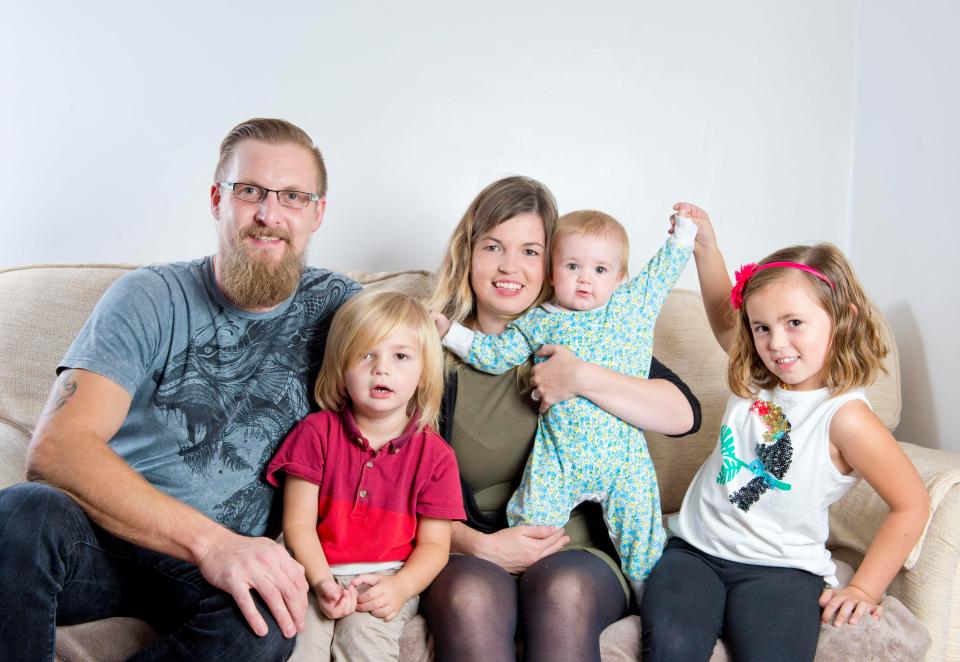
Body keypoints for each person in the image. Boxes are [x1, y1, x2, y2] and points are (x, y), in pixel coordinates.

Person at [0, 118, 361, 660]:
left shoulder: (341, 309)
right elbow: (57, 448)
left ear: (317, 212)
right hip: (102, 540)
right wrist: (214, 543)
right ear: (217, 199)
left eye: (292, 196)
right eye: (249, 192)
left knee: (268, 624)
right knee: (24, 511)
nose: (269, 214)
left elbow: (428, 354)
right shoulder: (149, 296)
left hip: (207, 578)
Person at [420, 176, 702, 662]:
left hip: (578, 549)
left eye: (530, 251)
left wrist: (582, 376)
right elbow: (393, 484)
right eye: (493, 246)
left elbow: (683, 415)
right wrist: (480, 546)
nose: (511, 266)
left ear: (551, 264)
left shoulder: (589, 334)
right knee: (472, 597)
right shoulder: (427, 354)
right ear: (468, 253)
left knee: (563, 592)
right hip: (473, 546)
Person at [639, 204, 930, 662]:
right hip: (694, 551)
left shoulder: (845, 417)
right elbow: (721, 313)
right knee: (671, 646)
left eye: (795, 323)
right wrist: (706, 248)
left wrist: (864, 588)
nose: (776, 343)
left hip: (781, 569)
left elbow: (912, 503)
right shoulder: (759, 375)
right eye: (762, 327)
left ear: (842, 318)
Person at [265, 290, 465, 661]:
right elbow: (298, 526)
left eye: (400, 356)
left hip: (384, 576)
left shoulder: (436, 456)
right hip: (309, 569)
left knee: (365, 646)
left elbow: (436, 547)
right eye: (366, 355)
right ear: (342, 371)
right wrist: (322, 581)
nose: (382, 368)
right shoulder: (315, 432)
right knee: (298, 649)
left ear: (423, 374)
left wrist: (401, 587)